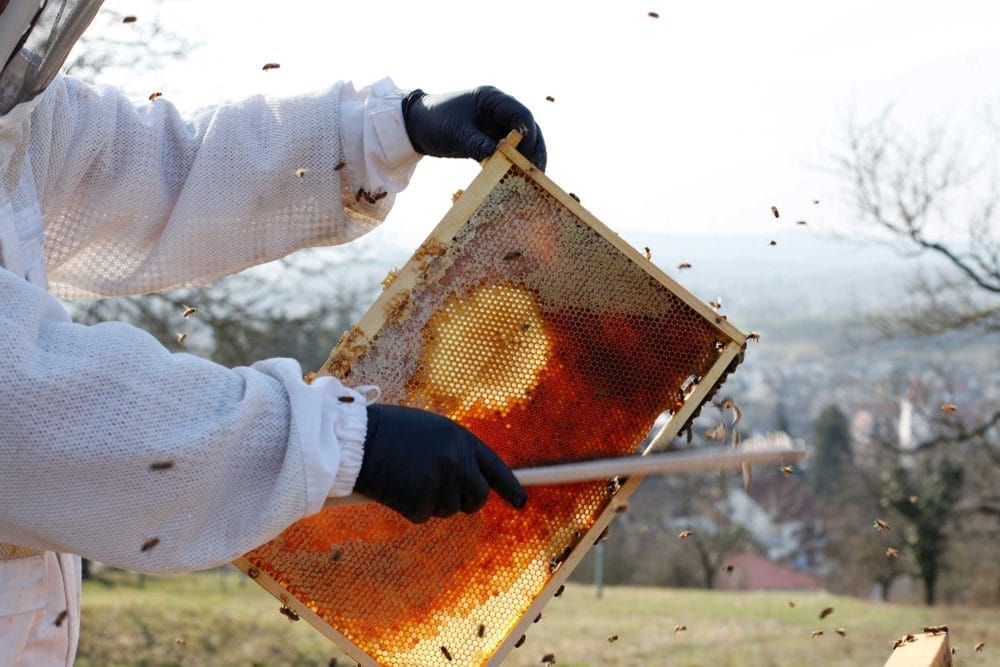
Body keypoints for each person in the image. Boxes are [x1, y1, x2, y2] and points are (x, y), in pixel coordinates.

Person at [0, 1, 547, 664]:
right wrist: (341, 443)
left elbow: (157, 165)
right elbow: (25, 404)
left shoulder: (21, 118)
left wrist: (383, 132)